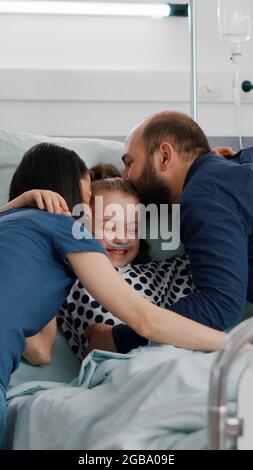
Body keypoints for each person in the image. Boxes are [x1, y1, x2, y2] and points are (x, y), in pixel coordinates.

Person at [0, 142, 228, 448]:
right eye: (82, 201)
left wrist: (15, 204)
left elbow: (39, 350)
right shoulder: (67, 230)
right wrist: (237, 344)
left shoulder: (13, 228)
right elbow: (146, 321)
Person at [87, 110, 253, 354]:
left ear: (164, 156)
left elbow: (220, 304)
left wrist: (119, 338)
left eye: (130, 163)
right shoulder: (235, 167)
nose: (126, 177)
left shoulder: (203, 197)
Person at [58, 176, 192, 359]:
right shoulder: (68, 279)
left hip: (178, 361)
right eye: (109, 227)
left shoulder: (163, 273)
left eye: (132, 229)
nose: (122, 239)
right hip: (121, 371)